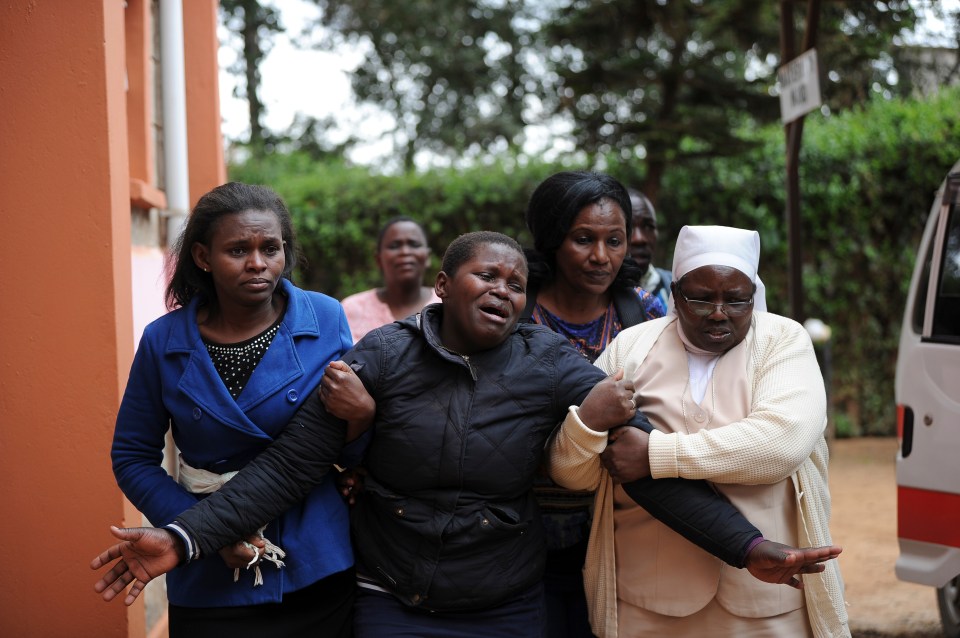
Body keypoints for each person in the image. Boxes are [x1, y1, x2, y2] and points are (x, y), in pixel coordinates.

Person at [93, 231, 842, 638]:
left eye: (517, 284)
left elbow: (635, 461)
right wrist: (183, 537)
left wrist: (752, 549)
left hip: (506, 598)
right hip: (392, 593)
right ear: (444, 287)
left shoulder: (553, 362)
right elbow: (291, 464)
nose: (504, 291)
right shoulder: (380, 354)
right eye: (487, 276)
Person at [547, 225, 849, 637]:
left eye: (737, 299)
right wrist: (588, 425)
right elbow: (575, 474)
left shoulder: (783, 341)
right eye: (703, 299)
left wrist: (654, 456)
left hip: (768, 603)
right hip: (648, 605)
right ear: (675, 295)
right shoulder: (630, 348)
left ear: (754, 295)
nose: (720, 312)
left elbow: (781, 444)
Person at [109, 182, 362, 637]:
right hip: (210, 573)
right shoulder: (163, 340)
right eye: (238, 250)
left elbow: (339, 436)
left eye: (271, 248)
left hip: (312, 557)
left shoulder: (324, 318)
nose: (258, 264)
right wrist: (204, 529)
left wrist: (364, 414)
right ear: (204, 257)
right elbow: (131, 456)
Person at [522, 171, 664, 637]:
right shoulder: (512, 310)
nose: (601, 257)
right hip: (522, 537)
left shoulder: (646, 313)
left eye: (614, 240)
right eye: (583, 239)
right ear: (551, 240)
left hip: (620, 531)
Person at [340, 216, 439, 342]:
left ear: (428, 256)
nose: (405, 251)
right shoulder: (352, 309)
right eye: (394, 246)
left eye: (414, 244)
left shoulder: (447, 305)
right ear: (378, 259)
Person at [627, 188, 672, 308]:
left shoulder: (676, 291)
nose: (639, 238)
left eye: (648, 226)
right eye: (628, 227)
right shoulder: (597, 296)